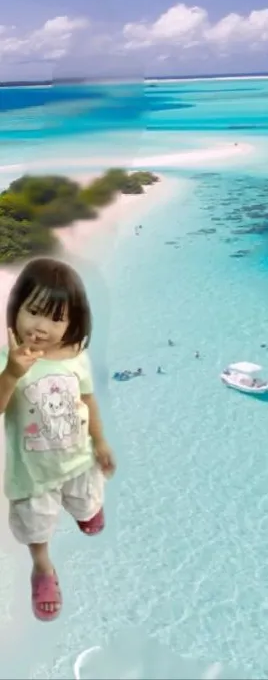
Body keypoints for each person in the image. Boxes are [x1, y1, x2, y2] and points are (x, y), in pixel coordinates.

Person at [0, 258, 115, 623]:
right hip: (32, 473)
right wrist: (13, 372)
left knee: (86, 499)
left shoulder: (76, 356)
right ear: (15, 309)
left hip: (78, 458)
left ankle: (85, 510)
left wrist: (100, 443)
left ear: (73, 325)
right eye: (33, 312)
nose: (40, 326)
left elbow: (88, 401)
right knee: (37, 526)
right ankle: (43, 567)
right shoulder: (7, 360)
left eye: (56, 318)